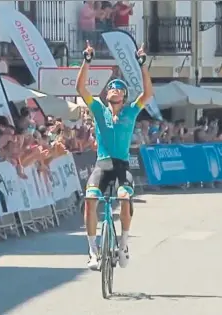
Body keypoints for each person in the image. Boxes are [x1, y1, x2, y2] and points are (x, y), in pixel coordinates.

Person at [76, 40, 153, 270]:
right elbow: (81, 88)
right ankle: (93, 250)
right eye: (112, 87)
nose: (115, 90)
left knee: (123, 198)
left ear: (125, 95)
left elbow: (148, 92)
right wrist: (86, 61)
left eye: (119, 88)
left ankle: (124, 244)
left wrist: (142, 65)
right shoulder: (98, 108)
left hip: (121, 166)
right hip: (102, 165)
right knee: (90, 200)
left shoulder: (131, 110)